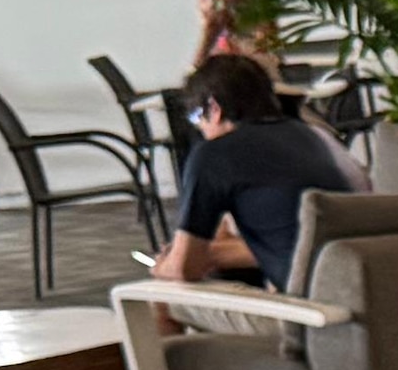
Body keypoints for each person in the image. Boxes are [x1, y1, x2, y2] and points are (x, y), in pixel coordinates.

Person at [150, 51, 355, 290]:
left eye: (197, 117)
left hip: (305, 304)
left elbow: (184, 269)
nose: (201, 129)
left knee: (164, 292)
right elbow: (292, 239)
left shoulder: (213, 154)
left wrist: (162, 266)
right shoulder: (305, 134)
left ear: (213, 108)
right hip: (348, 283)